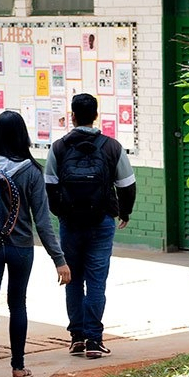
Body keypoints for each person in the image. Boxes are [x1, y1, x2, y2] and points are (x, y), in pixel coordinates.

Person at [0, 111, 71, 377]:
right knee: (18, 305)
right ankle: (17, 366)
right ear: (22, 136)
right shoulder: (31, 171)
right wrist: (59, 260)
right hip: (20, 246)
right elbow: (42, 221)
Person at [45, 93, 136, 359]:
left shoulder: (59, 147)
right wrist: (125, 212)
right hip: (101, 222)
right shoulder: (112, 147)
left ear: (72, 116)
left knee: (72, 280)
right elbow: (127, 184)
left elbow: (50, 185)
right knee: (97, 281)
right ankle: (94, 340)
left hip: (70, 224)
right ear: (96, 115)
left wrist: (61, 213)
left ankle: (77, 338)